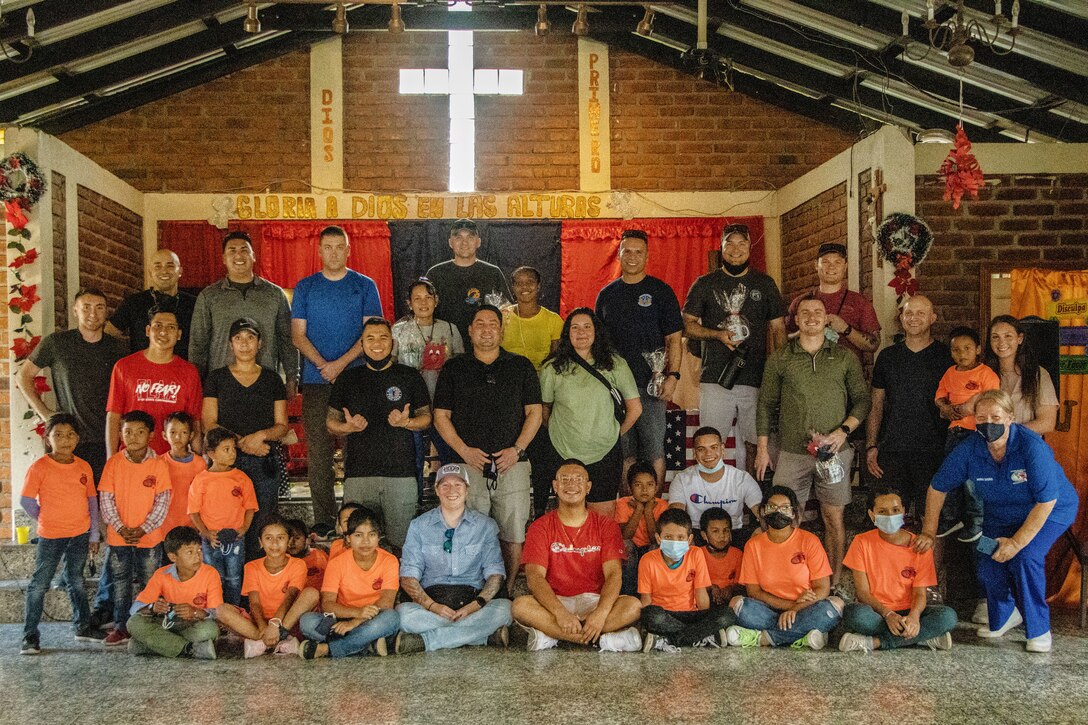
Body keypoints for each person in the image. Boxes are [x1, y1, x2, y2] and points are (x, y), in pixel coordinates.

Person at [915, 390, 1079, 653]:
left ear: (1010, 418)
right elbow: (937, 488)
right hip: (1000, 514)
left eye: (996, 416)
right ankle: (1004, 614)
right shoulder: (968, 449)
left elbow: (1046, 501)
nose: (988, 423)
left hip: (1050, 511)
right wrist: (929, 531)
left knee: (1026, 558)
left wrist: (1016, 542)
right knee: (985, 558)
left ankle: (1038, 629)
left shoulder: (1032, 447)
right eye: (981, 418)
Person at [755, 294, 869, 584]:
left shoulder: (844, 357)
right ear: (795, 319)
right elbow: (766, 404)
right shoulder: (780, 358)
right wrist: (763, 448)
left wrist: (843, 431)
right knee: (784, 517)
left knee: (834, 518)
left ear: (826, 317)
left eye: (817, 311)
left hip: (834, 452)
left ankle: (832, 585)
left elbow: (862, 401)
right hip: (792, 452)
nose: (811, 317)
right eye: (804, 312)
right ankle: (786, 581)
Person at [433, 305, 542, 584]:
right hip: (468, 465)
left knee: (513, 530)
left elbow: (535, 413)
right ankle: (474, 587)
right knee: (469, 529)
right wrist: (464, 451)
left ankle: (505, 591)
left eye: (492, 323)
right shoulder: (454, 368)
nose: (486, 329)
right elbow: (441, 416)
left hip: (512, 463)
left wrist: (517, 450)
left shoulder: (521, 366)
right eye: (479, 324)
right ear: (469, 331)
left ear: (501, 330)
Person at [292, 225, 383, 533]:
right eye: (327, 247)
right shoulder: (306, 287)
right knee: (319, 453)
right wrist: (323, 365)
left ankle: (359, 521)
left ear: (348, 250)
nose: (333, 252)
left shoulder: (365, 285)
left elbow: (372, 334)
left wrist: (341, 365)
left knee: (361, 447)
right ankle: (324, 522)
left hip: (357, 378)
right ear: (319, 251)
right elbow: (297, 335)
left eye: (338, 247)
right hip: (317, 381)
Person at [683, 223, 786, 473]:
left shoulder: (764, 283)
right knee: (710, 443)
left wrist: (781, 370)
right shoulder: (704, 283)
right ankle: (713, 501)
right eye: (730, 243)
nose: (736, 249)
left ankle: (751, 503)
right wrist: (718, 335)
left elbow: (778, 329)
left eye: (742, 244)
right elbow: (688, 325)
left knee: (756, 444)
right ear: (721, 247)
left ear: (750, 248)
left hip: (755, 378)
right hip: (715, 378)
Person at [512, 460, 643, 652]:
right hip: (556, 601)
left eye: (578, 479)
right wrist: (560, 613)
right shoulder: (540, 527)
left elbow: (614, 574)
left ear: (588, 487)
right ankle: (601, 640)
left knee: (634, 606)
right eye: (565, 479)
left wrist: (601, 612)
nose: (571, 484)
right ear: (555, 486)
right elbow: (534, 577)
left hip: (594, 600)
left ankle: (554, 636)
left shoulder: (606, 525)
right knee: (520, 606)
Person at [327, 317, 432, 549]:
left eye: (383, 337)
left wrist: (407, 422)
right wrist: (348, 427)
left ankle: (400, 585)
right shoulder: (348, 378)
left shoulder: (409, 376)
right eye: (370, 338)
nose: (377, 343)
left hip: (401, 474)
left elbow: (426, 418)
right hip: (359, 475)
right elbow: (330, 422)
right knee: (358, 544)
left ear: (392, 342)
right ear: (362, 344)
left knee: (402, 543)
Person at [595, 229, 684, 486]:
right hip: (616, 388)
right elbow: (598, 343)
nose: (632, 257)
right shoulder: (606, 295)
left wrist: (673, 376)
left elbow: (674, 339)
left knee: (654, 449)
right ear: (619, 254)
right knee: (625, 451)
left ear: (647, 256)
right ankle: (626, 508)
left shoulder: (661, 291)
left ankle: (653, 509)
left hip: (651, 387)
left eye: (638, 252)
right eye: (627, 251)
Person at [395, 463, 513, 653]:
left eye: (458, 485)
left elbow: (495, 574)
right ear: (436, 490)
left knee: (506, 609)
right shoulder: (418, 526)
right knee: (402, 615)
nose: (452, 490)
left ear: (467, 490)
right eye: (445, 485)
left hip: (472, 601)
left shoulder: (485, 526)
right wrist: (433, 606)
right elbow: (408, 576)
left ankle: (426, 642)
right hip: (432, 601)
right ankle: (482, 637)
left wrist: (474, 607)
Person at [539, 308, 642, 517]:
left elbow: (635, 408)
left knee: (602, 521)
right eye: (575, 327)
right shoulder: (553, 367)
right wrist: (560, 432)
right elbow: (543, 410)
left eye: (587, 327)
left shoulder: (615, 364)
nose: (581, 332)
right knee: (568, 517)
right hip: (563, 451)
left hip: (604, 453)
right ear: (567, 333)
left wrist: (614, 434)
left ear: (597, 332)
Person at [203, 317, 288, 556]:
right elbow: (208, 423)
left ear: (260, 343)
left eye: (251, 338)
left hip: (264, 461)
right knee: (227, 521)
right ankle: (230, 585)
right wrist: (243, 444)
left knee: (262, 521)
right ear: (230, 344)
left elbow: (281, 425)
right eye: (238, 338)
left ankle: (255, 585)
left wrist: (260, 435)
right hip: (226, 463)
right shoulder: (217, 378)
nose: (244, 344)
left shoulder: (272, 379)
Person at [19, 413, 103, 655]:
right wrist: (45, 517)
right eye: (58, 435)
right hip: (51, 536)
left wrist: (94, 533)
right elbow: (26, 500)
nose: (65, 440)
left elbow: (92, 502)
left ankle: (83, 627)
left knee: (75, 580)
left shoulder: (83, 466)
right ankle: (30, 636)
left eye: (70, 435)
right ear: (48, 439)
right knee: (39, 584)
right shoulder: (40, 467)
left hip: (79, 534)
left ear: (77, 439)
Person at [19, 288, 124, 481]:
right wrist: (46, 414)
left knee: (102, 501)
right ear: (75, 311)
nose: (93, 314)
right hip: (67, 439)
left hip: (106, 440)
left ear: (106, 312)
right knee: (66, 499)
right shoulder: (57, 343)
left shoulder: (117, 349)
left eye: (99, 307)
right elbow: (24, 376)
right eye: (86, 307)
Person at [839, 488, 957, 652]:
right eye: (882, 511)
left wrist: (914, 617)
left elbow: (920, 594)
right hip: (877, 612)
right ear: (872, 515)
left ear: (903, 511)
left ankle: (875, 642)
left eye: (895, 510)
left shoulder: (919, 546)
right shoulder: (861, 542)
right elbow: (863, 592)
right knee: (855, 615)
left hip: (910, 610)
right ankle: (922, 637)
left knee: (948, 617)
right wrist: (888, 614)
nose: (889, 516)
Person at [866, 295, 952, 521]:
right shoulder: (887, 357)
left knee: (932, 520)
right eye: (908, 313)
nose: (914, 318)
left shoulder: (947, 357)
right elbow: (876, 406)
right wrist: (871, 445)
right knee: (890, 518)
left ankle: (929, 559)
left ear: (933, 318)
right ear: (901, 318)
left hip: (934, 450)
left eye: (921, 313)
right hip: (892, 449)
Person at [726, 486, 843, 650]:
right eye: (772, 507)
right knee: (737, 604)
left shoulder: (809, 541)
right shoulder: (754, 545)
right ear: (763, 511)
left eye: (785, 508)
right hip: (769, 610)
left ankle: (764, 638)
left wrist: (797, 609)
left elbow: (822, 588)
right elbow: (754, 592)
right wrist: (790, 607)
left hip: (805, 609)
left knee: (835, 605)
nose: (777, 512)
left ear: (794, 513)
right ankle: (801, 635)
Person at [98, 410, 173, 647]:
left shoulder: (159, 464)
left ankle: (146, 627)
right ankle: (121, 627)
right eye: (127, 431)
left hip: (149, 537)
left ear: (151, 435)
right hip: (118, 537)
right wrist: (121, 528)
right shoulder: (113, 464)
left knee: (149, 582)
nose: (133, 437)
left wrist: (143, 528)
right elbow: (106, 499)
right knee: (120, 583)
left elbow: (163, 501)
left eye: (140, 432)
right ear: (120, 434)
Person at [189, 230, 298, 392]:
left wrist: (292, 377)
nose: (238, 256)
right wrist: (196, 385)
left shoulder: (275, 295)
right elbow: (198, 344)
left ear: (253, 256)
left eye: (244, 250)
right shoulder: (208, 296)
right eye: (232, 251)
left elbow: (287, 339)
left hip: (265, 384)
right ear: (224, 259)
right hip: (221, 386)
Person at [298, 507, 401, 659]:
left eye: (371, 535)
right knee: (307, 621)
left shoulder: (389, 561)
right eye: (358, 535)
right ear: (348, 538)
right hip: (342, 617)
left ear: (379, 537)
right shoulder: (337, 563)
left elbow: (386, 603)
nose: (366, 542)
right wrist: (355, 613)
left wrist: (355, 622)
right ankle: (367, 644)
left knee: (392, 618)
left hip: (374, 618)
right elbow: (327, 604)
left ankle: (329, 649)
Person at [105, 307, 203, 456]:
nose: (163, 332)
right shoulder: (124, 367)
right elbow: (114, 416)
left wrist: (198, 459)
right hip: (133, 459)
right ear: (147, 330)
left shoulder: (189, 372)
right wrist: (111, 458)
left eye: (171, 327)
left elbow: (194, 420)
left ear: (179, 334)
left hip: (174, 459)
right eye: (158, 326)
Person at [934, 326, 1000, 544]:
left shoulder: (986, 374)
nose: (961, 354)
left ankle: (976, 522)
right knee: (951, 475)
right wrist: (944, 408)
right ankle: (951, 517)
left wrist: (968, 405)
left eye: (967, 348)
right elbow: (939, 396)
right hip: (954, 432)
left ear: (978, 349)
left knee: (973, 481)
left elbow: (991, 399)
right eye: (955, 350)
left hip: (977, 433)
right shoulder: (949, 373)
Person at [639, 508, 735, 652]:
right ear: (659, 538)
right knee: (650, 615)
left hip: (692, 614)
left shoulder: (696, 554)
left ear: (689, 540)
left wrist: (705, 618)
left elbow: (700, 593)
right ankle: (700, 636)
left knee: (727, 615)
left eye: (680, 537)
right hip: (665, 615)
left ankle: (669, 639)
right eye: (668, 537)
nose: (674, 542)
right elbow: (646, 600)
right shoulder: (647, 560)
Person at [216, 516, 308, 658]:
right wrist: (263, 627)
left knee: (311, 593)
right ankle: (268, 640)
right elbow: (255, 603)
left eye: (281, 538)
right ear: (260, 542)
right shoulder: (252, 567)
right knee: (222, 610)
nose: (275, 543)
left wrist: (276, 624)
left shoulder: (298, 565)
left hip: (288, 622)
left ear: (289, 541)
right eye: (268, 538)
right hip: (259, 623)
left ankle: (268, 641)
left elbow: (290, 597)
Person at [126, 525, 221, 660]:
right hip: (167, 624)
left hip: (192, 625)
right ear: (173, 557)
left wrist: (194, 612)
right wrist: (152, 608)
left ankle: (148, 645)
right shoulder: (161, 574)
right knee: (133, 622)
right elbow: (135, 608)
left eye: (199, 550)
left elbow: (217, 612)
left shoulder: (211, 574)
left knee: (210, 630)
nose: (197, 556)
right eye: (190, 552)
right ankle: (189, 648)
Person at [187, 427, 258, 606]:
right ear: (211, 453)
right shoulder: (201, 480)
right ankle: (215, 613)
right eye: (226, 449)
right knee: (214, 578)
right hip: (211, 539)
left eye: (234, 448)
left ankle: (233, 613)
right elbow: (193, 511)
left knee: (234, 578)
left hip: (235, 538)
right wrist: (205, 532)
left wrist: (244, 529)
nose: (232, 453)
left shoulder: (242, 478)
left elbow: (250, 507)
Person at [667, 426, 761, 544]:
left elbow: (761, 512)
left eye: (714, 447)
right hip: (697, 534)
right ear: (694, 453)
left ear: (722, 449)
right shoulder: (681, 479)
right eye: (701, 449)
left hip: (732, 532)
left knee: (760, 532)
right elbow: (675, 516)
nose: (708, 453)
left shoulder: (742, 478)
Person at [785, 242, 880, 357]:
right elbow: (783, 340)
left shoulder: (859, 302)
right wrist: (801, 333)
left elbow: (873, 345)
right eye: (825, 262)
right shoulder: (800, 302)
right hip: (807, 372)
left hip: (847, 373)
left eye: (837, 262)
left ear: (845, 266)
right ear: (816, 265)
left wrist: (846, 329)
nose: (831, 267)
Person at [425, 219, 512, 342]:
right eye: (458, 237)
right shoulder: (436, 273)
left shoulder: (492, 273)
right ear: (450, 242)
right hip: (443, 344)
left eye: (470, 237)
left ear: (478, 242)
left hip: (483, 344)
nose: (464, 243)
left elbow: (507, 312)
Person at [107, 249, 197, 359]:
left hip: (182, 372)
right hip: (142, 372)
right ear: (150, 272)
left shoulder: (195, 304)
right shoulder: (134, 302)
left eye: (170, 266)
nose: (164, 271)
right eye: (158, 266)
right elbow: (108, 334)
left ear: (180, 271)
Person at [984, 315, 1059, 435]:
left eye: (1008, 336)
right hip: (992, 447)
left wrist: (1008, 433)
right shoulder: (983, 374)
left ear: (1020, 338)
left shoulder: (1038, 374)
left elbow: (1047, 422)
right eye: (995, 337)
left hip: (1027, 446)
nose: (1001, 342)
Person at [391, 277, 464, 399]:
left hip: (443, 395)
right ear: (409, 304)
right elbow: (391, 362)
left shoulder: (450, 329)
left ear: (436, 301)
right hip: (410, 394)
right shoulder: (399, 330)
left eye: (428, 297)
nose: (423, 303)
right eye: (417, 298)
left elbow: (460, 365)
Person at [615, 460, 668, 597]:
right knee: (625, 546)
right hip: (633, 551)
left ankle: (654, 594)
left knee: (657, 547)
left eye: (649, 485)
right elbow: (625, 536)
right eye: (638, 485)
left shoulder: (662, 506)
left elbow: (654, 538)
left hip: (650, 548)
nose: (644, 490)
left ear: (656, 487)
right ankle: (628, 595)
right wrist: (638, 510)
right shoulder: (622, 503)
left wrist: (648, 512)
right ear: (630, 488)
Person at [502, 266, 563, 370]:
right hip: (508, 377)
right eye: (519, 283)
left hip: (542, 379)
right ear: (513, 287)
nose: (524, 286)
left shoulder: (553, 320)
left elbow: (557, 358)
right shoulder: (502, 316)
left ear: (538, 286)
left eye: (530, 282)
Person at [160, 411, 206, 539]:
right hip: (164, 526)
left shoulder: (200, 464)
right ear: (164, 435)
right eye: (173, 432)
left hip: (192, 525)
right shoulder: (158, 463)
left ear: (191, 435)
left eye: (184, 433)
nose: (177, 437)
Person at [699, 508, 744, 607]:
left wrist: (731, 589)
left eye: (726, 531)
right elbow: (691, 583)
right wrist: (710, 587)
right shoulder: (698, 554)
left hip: (729, 601)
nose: (722, 536)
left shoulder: (737, 554)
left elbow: (741, 584)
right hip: (704, 601)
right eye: (715, 531)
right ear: (704, 535)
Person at [286, 517, 329, 591]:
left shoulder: (321, 555)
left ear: (307, 539)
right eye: (288, 538)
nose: (292, 542)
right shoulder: (283, 561)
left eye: (297, 538)